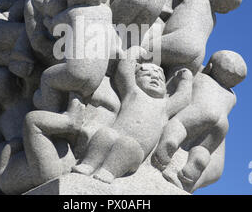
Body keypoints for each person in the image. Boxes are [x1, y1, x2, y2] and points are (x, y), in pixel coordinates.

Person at [72, 46, 193, 183]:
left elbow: (183, 98)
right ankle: (88, 164)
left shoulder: (165, 106)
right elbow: (124, 72)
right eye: (147, 75)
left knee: (128, 145)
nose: (154, 78)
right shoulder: (133, 92)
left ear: (165, 88)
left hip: (136, 150)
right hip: (115, 134)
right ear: (136, 79)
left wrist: (185, 80)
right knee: (105, 134)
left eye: (160, 78)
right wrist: (134, 52)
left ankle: (109, 171)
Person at [151, 50, 247, 192]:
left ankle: (168, 146)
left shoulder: (201, 77)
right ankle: (193, 167)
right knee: (203, 149)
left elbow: (195, 69)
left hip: (201, 111)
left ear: (210, 67)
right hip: (221, 124)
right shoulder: (232, 96)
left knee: (179, 125)